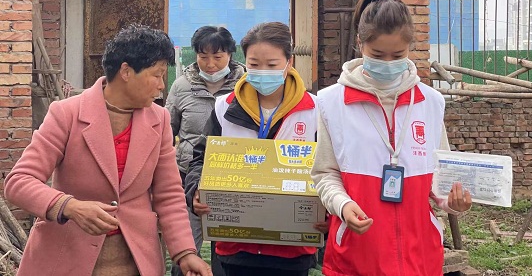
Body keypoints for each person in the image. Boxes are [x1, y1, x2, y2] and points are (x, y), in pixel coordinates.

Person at [4, 24, 212, 276]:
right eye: (156, 75)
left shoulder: (159, 120)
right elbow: (19, 182)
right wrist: (70, 207)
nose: (161, 85)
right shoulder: (67, 114)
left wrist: (185, 253)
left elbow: (168, 194)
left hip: (135, 261)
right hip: (67, 258)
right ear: (126, 71)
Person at [311, 0, 472, 276]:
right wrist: (342, 205)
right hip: (357, 256)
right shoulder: (331, 102)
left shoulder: (430, 102)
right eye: (377, 55)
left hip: (419, 258)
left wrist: (453, 202)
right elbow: (324, 174)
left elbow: (441, 179)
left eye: (397, 56)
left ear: (410, 47)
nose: (387, 63)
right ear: (360, 44)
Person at [185, 22, 325, 276]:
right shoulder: (224, 108)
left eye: (271, 65)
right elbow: (200, 159)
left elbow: (330, 168)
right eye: (254, 64)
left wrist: (328, 210)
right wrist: (196, 190)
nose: (262, 72)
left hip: (292, 250)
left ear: (289, 62)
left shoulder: (315, 110)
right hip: (235, 247)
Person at [167, 26, 245, 276]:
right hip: (188, 178)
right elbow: (167, 131)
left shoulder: (245, 87)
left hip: (232, 180)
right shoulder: (181, 86)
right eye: (203, 57)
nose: (210, 64)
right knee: (185, 249)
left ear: (231, 55)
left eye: (218, 57)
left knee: (227, 252)